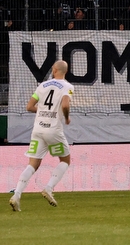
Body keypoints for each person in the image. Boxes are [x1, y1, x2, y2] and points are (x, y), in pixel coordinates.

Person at [10, 60, 73, 211]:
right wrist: (66, 117)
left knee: (32, 164)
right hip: (53, 130)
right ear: (65, 71)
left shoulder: (42, 85)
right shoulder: (68, 87)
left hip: (38, 130)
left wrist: (43, 111)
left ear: (54, 70)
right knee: (65, 160)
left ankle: (17, 195)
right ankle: (49, 188)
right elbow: (65, 105)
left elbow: (29, 106)